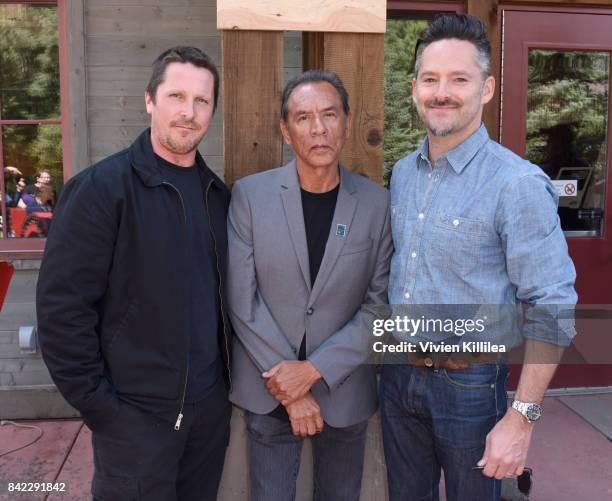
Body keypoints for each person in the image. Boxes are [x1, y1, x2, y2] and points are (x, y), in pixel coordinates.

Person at [382, 14, 577, 501]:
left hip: (470, 387)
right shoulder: (403, 174)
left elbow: (553, 302)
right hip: (397, 374)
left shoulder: (516, 184)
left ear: (487, 89)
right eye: (430, 79)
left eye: (459, 79)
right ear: (415, 89)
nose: (441, 92)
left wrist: (523, 417)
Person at [36, 46, 232, 501]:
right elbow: (63, 312)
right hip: (135, 421)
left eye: (202, 101)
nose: (188, 112)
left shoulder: (216, 196)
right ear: (149, 100)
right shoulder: (100, 190)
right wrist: (104, 410)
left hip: (206, 417)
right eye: (176, 96)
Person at [227, 70, 393, 501]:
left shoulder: (377, 205)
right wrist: (291, 387)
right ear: (285, 129)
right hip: (269, 387)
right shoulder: (250, 196)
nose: (318, 129)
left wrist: (313, 371)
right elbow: (241, 301)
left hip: (345, 390)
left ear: (347, 122)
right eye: (303, 117)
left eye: (329, 115)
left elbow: (379, 308)